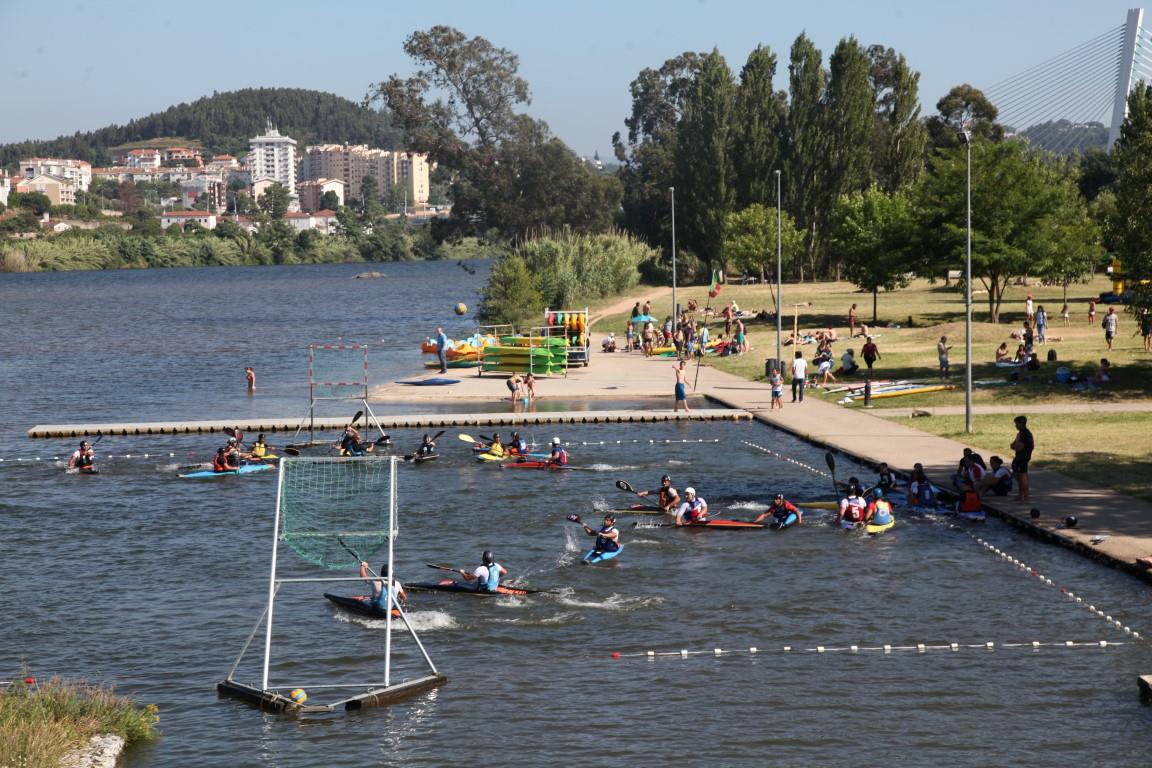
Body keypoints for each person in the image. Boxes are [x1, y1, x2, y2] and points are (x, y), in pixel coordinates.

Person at [1010, 415, 1034, 503]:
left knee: (1022, 477)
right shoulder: (1021, 433)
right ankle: (1021, 495)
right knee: (1018, 476)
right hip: (1020, 457)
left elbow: (1018, 447)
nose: (1015, 426)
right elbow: (1013, 444)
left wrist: (1015, 445)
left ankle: (1026, 497)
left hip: (1022, 458)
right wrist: (1014, 445)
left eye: (1016, 424)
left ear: (1021, 424)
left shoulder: (1024, 434)